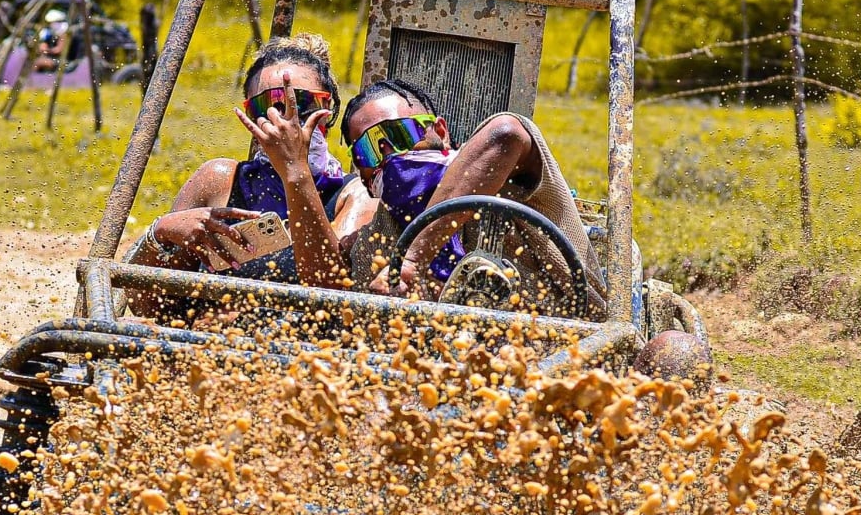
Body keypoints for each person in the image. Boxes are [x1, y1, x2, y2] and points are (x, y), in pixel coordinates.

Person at [247, 76, 607, 317]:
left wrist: (414, 258)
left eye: (401, 134)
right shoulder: (374, 241)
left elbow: (507, 133)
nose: (393, 157)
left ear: (441, 132)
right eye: (371, 151)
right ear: (365, 174)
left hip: (569, 356)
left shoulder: (504, 175)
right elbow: (331, 295)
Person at [125, 34, 372, 290]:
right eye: (264, 107)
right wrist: (161, 232)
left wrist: (295, 172)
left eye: (300, 103)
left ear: (327, 111)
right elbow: (148, 305)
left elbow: (330, 290)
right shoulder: (220, 181)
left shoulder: (354, 195)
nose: (282, 119)